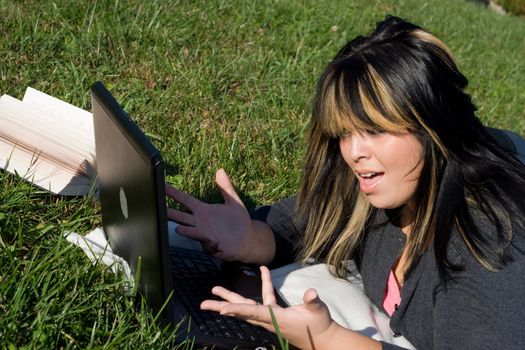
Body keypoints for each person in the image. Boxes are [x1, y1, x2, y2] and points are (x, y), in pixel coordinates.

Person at [165, 16, 525, 350]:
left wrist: (325, 337)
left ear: (433, 127)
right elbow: (301, 223)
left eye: (374, 130)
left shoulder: (487, 244)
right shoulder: (388, 183)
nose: (353, 152)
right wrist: (247, 240)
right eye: (344, 132)